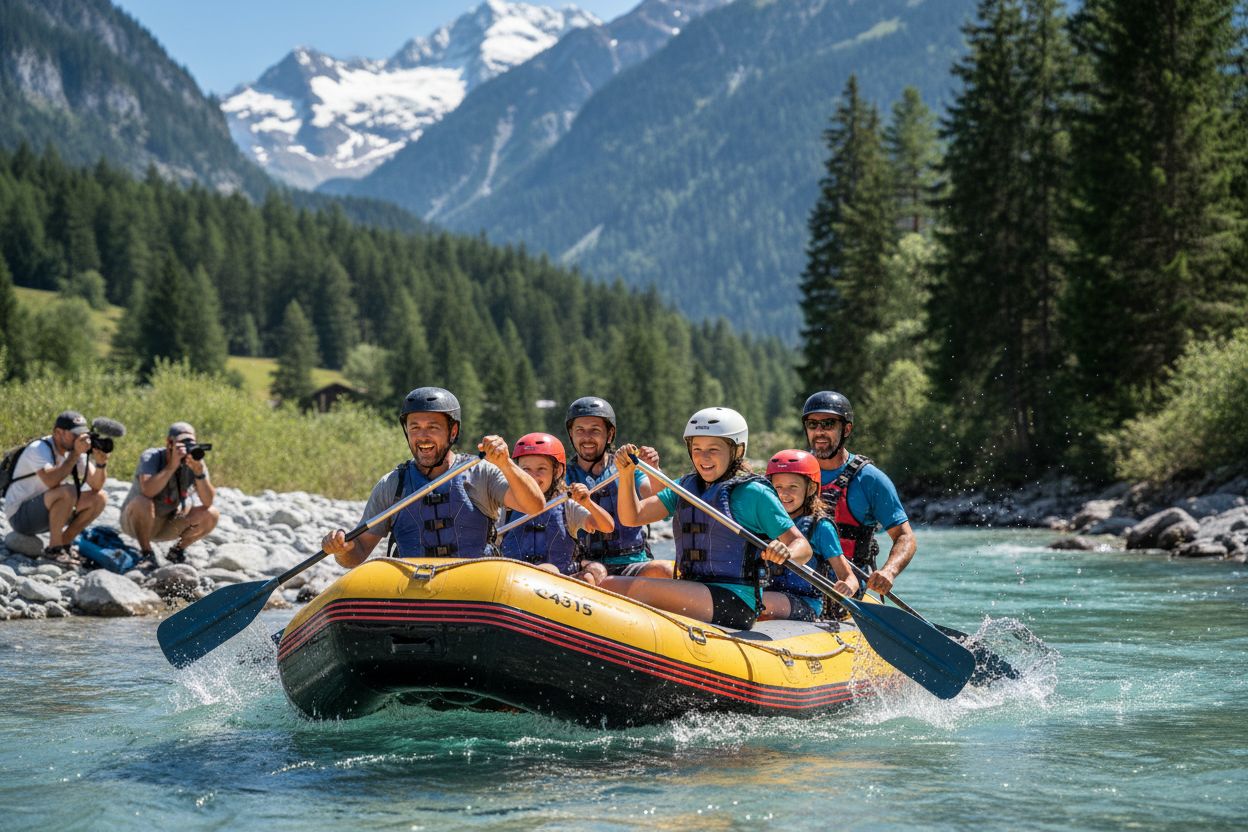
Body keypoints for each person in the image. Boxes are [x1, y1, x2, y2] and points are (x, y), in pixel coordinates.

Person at [602, 407, 812, 631]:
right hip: (694, 589)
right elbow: (633, 517)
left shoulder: (754, 493)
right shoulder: (684, 487)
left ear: (737, 450)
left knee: (628, 588)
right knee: (604, 584)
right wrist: (626, 475)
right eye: (697, 448)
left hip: (735, 601)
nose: (703, 457)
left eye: (713, 449)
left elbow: (803, 547)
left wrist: (786, 552)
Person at [321, 387, 545, 567]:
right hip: (415, 590)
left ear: (453, 432)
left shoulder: (481, 473)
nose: (423, 436)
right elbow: (357, 554)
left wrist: (506, 464)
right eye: (415, 427)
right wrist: (343, 550)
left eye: (433, 427)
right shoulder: (392, 485)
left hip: (475, 588)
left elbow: (534, 505)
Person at [802, 391, 916, 595]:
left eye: (828, 424)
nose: (819, 431)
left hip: (845, 586)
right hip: (796, 580)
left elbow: (905, 536)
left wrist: (889, 571)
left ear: (846, 429)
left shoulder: (870, 479)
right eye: (812, 424)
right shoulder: (793, 473)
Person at [563, 396, 667, 576]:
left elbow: (659, 502)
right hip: (586, 566)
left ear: (610, 434)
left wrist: (654, 470)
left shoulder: (628, 468)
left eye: (595, 430)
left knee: (665, 571)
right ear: (571, 434)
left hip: (633, 561)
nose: (587, 438)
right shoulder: (563, 476)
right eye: (580, 430)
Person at [498, 432, 614, 584]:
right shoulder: (505, 506)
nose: (533, 476)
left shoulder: (567, 506)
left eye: (541, 469)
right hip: (513, 582)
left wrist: (588, 503)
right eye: (526, 470)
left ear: (557, 471)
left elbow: (607, 526)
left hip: (558, 588)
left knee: (587, 575)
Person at [758, 449, 858, 621]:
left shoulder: (820, 527)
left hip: (806, 603)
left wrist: (848, 586)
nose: (784, 494)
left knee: (759, 601)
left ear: (810, 488)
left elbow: (849, 576)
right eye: (778, 487)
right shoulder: (763, 521)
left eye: (793, 487)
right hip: (769, 597)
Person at [3, 411, 108, 564]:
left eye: (83, 434)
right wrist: (75, 455)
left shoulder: (74, 450)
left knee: (100, 498)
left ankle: (64, 544)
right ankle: (54, 549)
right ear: (58, 432)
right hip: (20, 516)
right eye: (75, 434)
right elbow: (51, 482)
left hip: (47, 511)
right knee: (67, 491)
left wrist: (101, 463)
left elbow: (96, 485)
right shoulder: (38, 448)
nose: (79, 439)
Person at [120, 422, 220, 564]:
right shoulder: (152, 456)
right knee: (142, 502)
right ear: (169, 442)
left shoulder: (195, 462)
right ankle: (147, 553)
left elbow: (208, 501)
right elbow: (148, 491)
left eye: (190, 443)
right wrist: (171, 466)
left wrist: (199, 473)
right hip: (135, 523)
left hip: (167, 523)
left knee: (211, 514)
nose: (186, 449)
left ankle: (177, 551)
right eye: (182, 443)